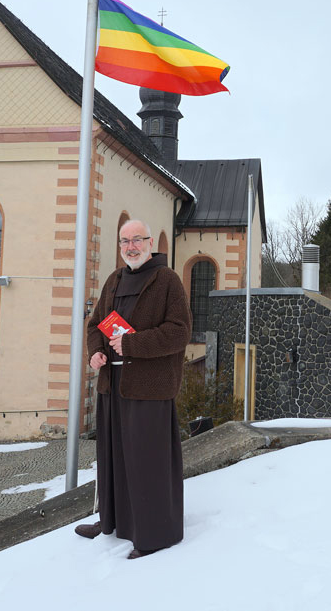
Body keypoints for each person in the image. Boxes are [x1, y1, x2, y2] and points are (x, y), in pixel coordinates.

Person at [74, 219, 191, 559]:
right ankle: (110, 520)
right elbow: (95, 323)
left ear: (150, 242)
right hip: (113, 385)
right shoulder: (114, 278)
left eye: (137, 240)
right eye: (125, 241)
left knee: (147, 463)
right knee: (112, 459)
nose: (131, 247)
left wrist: (133, 344)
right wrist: (95, 351)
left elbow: (179, 332)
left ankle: (154, 534)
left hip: (150, 389)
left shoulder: (167, 280)